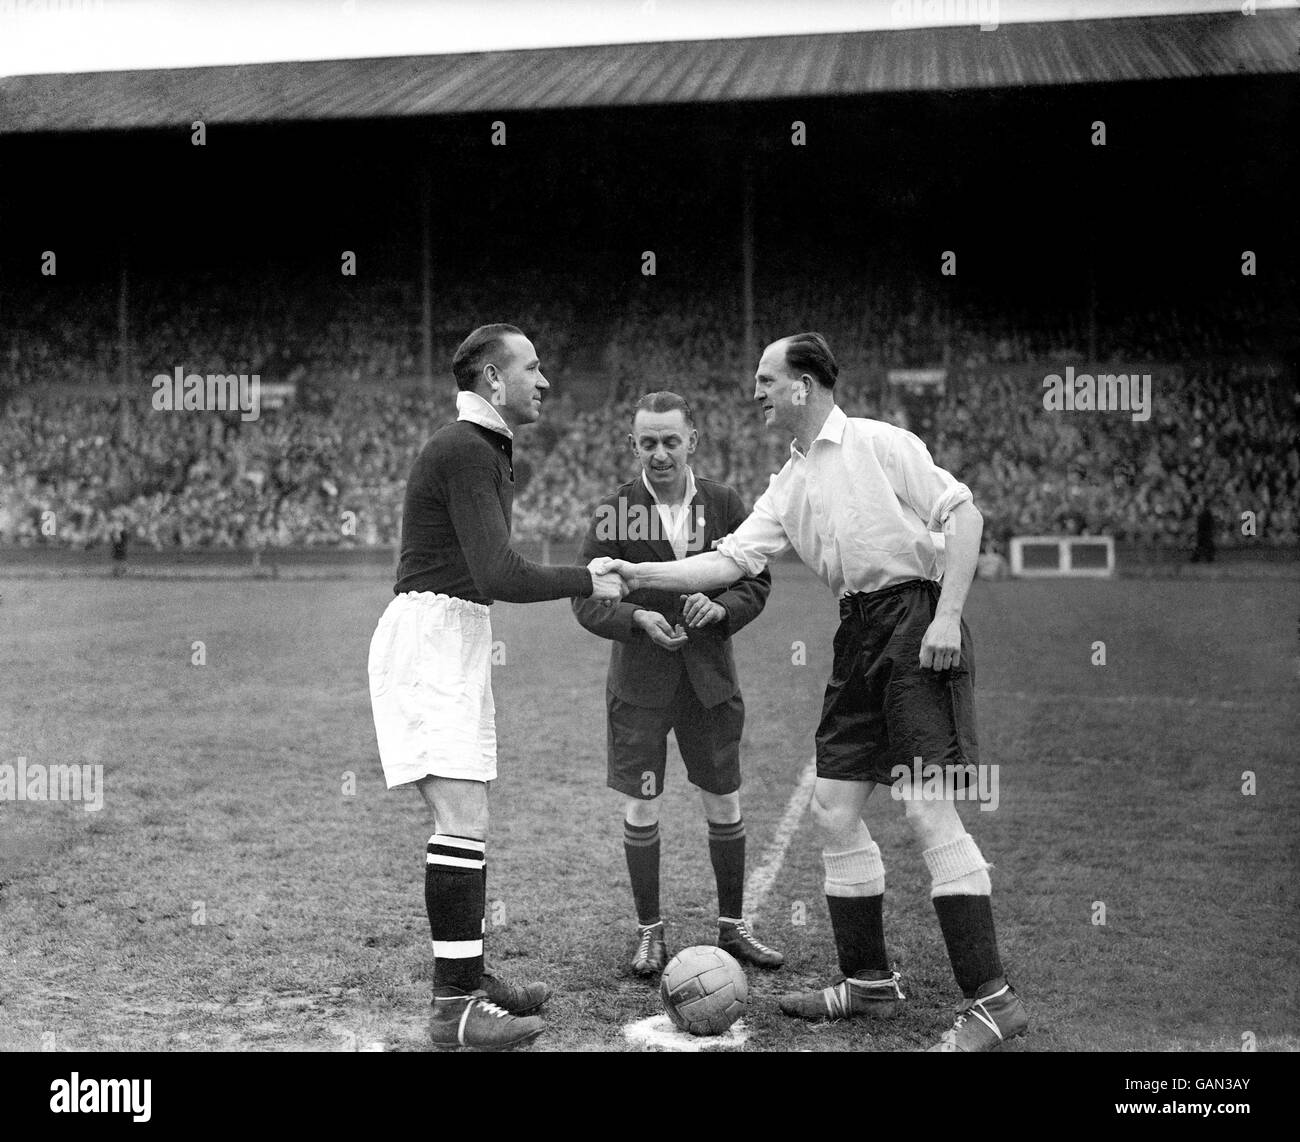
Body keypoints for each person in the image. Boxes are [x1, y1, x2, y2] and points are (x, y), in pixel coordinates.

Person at [600, 333, 1028, 1052]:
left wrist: (948, 615)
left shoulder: (880, 442)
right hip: (857, 631)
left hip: (916, 617)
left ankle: (993, 1002)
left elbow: (965, 515)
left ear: (804, 385)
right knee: (833, 808)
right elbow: (730, 559)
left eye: (767, 380)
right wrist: (636, 574)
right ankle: (869, 983)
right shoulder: (791, 481)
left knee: (926, 809)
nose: (757, 392)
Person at [367, 323, 625, 1050]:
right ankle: (454, 1012)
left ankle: (470, 978)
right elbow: (498, 573)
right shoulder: (465, 449)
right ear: (491, 379)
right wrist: (590, 577)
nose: (544, 381)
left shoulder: (483, 449)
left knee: (468, 818)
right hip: (431, 642)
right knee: (459, 820)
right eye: (532, 367)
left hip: (452, 636)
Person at [572, 391, 782, 978]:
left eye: (670, 440)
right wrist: (635, 619)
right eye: (648, 442)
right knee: (643, 804)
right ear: (632, 445)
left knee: (723, 798)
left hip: (710, 682)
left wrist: (723, 611)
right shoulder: (614, 512)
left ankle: (734, 929)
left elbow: (755, 580)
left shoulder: (723, 503)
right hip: (640, 686)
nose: (660, 453)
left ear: (693, 440)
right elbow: (585, 600)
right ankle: (649, 934)